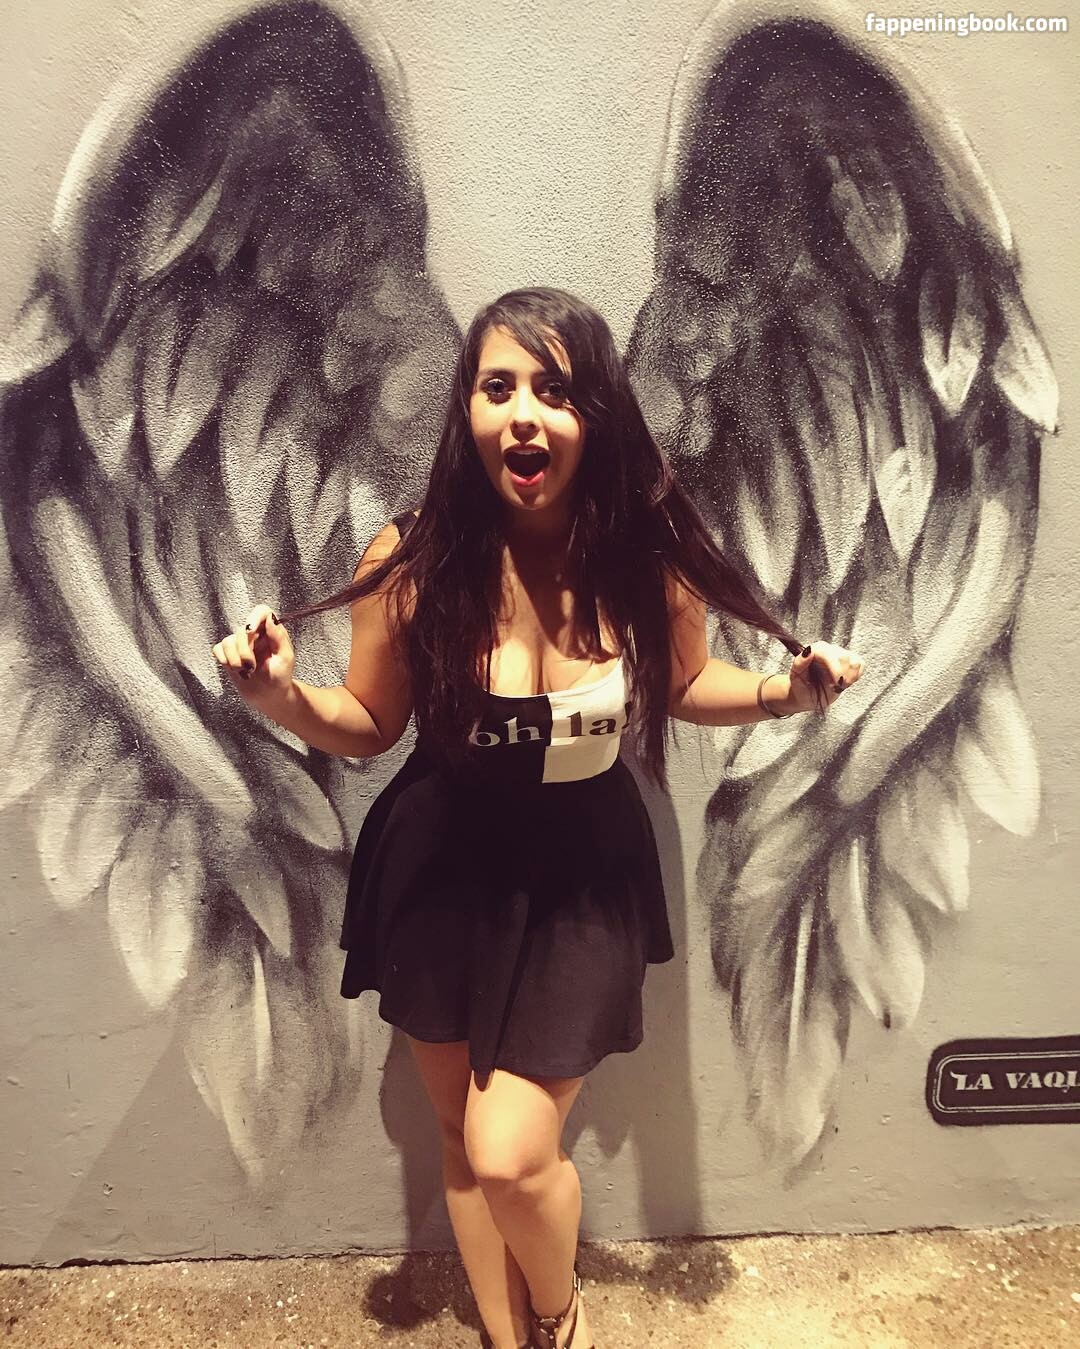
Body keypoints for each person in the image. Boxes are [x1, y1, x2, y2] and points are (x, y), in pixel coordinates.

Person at [211, 287, 863, 1349]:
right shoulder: (410, 559)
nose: (523, 414)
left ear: (595, 412)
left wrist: (783, 693)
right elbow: (371, 723)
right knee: (461, 1138)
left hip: (583, 872)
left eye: (554, 390)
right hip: (440, 864)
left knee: (511, 1149)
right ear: (466, 408)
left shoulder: (644, 554)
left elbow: (685, 683)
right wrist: (280, 698)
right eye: (498, 387)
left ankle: (559, 1313)